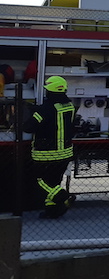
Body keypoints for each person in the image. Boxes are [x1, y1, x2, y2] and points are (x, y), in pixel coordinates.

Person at [23, 76, 76, 218]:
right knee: (54, 182)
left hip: (46, 154)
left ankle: (64, 197)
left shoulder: (44, 109)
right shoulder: (70, 106)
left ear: (50, 91)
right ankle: (53, 211)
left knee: (40, 181)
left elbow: (28, 128)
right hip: (65, 153)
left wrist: (31, 112)